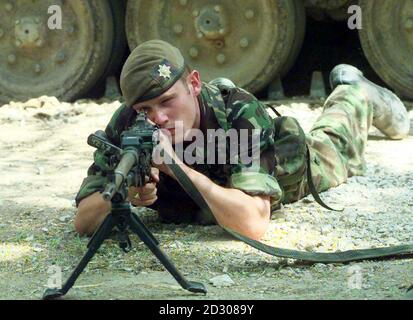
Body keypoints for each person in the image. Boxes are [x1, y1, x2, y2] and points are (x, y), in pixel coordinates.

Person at [73, 40, 410, 240]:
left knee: (333, 144)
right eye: (146, 108)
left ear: (192, 83)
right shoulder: (129, 124)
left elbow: (252, 223)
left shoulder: (239, 112)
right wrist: (125, 195)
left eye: (167, 101)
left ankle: (355, 95)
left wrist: (175, 167)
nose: (158, 118)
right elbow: (84, 219)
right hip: (215, 192)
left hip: (287, 169)